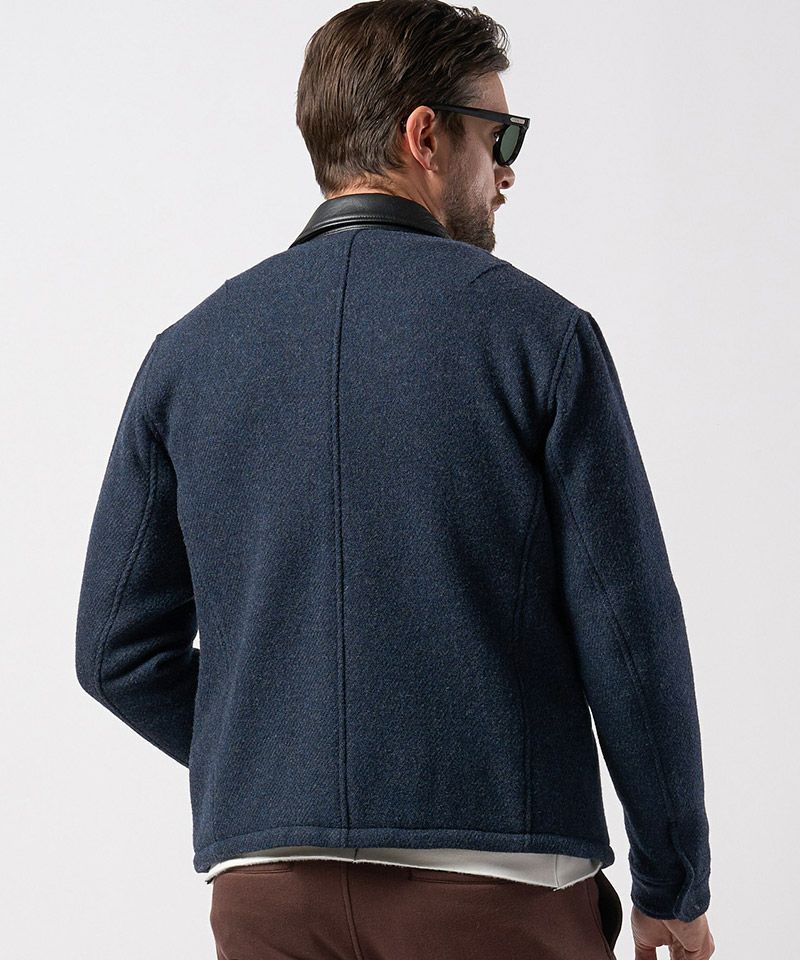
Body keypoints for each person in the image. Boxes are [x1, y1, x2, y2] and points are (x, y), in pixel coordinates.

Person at [74, 1, 715, 957]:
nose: (506, 172)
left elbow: (115, 652)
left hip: (267, 889)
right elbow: (631, 637)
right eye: (499, 136)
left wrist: (273, 760)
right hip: (495, 886)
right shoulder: (538, 336)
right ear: (426, 136)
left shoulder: (188, 355)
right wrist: (672, 880)